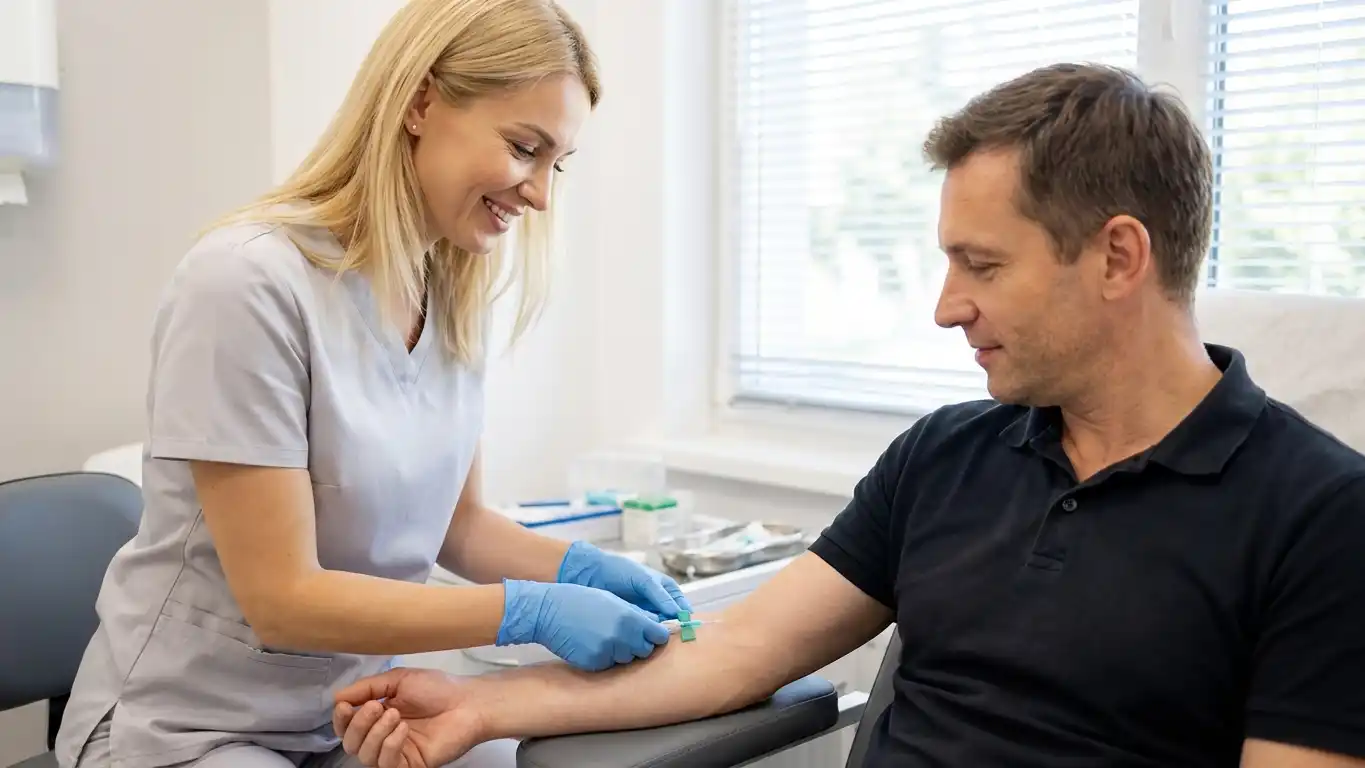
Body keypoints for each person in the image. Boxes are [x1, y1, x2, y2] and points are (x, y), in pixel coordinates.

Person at [330, 63, 1365, 768]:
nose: (946, 304)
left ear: (1119, 258)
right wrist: (480, 705)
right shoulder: (947, 456)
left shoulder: (1320, 518)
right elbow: (737, 654)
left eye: (983, 265)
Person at [53, 2, 693, 767]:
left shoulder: (450, 296)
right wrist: (526, 611)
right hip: (187, 726)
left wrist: (583, 570)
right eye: (525, 149)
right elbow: (281, 599)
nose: (540, 195)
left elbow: (459, 528)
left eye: (557, 163)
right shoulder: (247, 282)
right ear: (421, 102)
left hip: (351, 714)